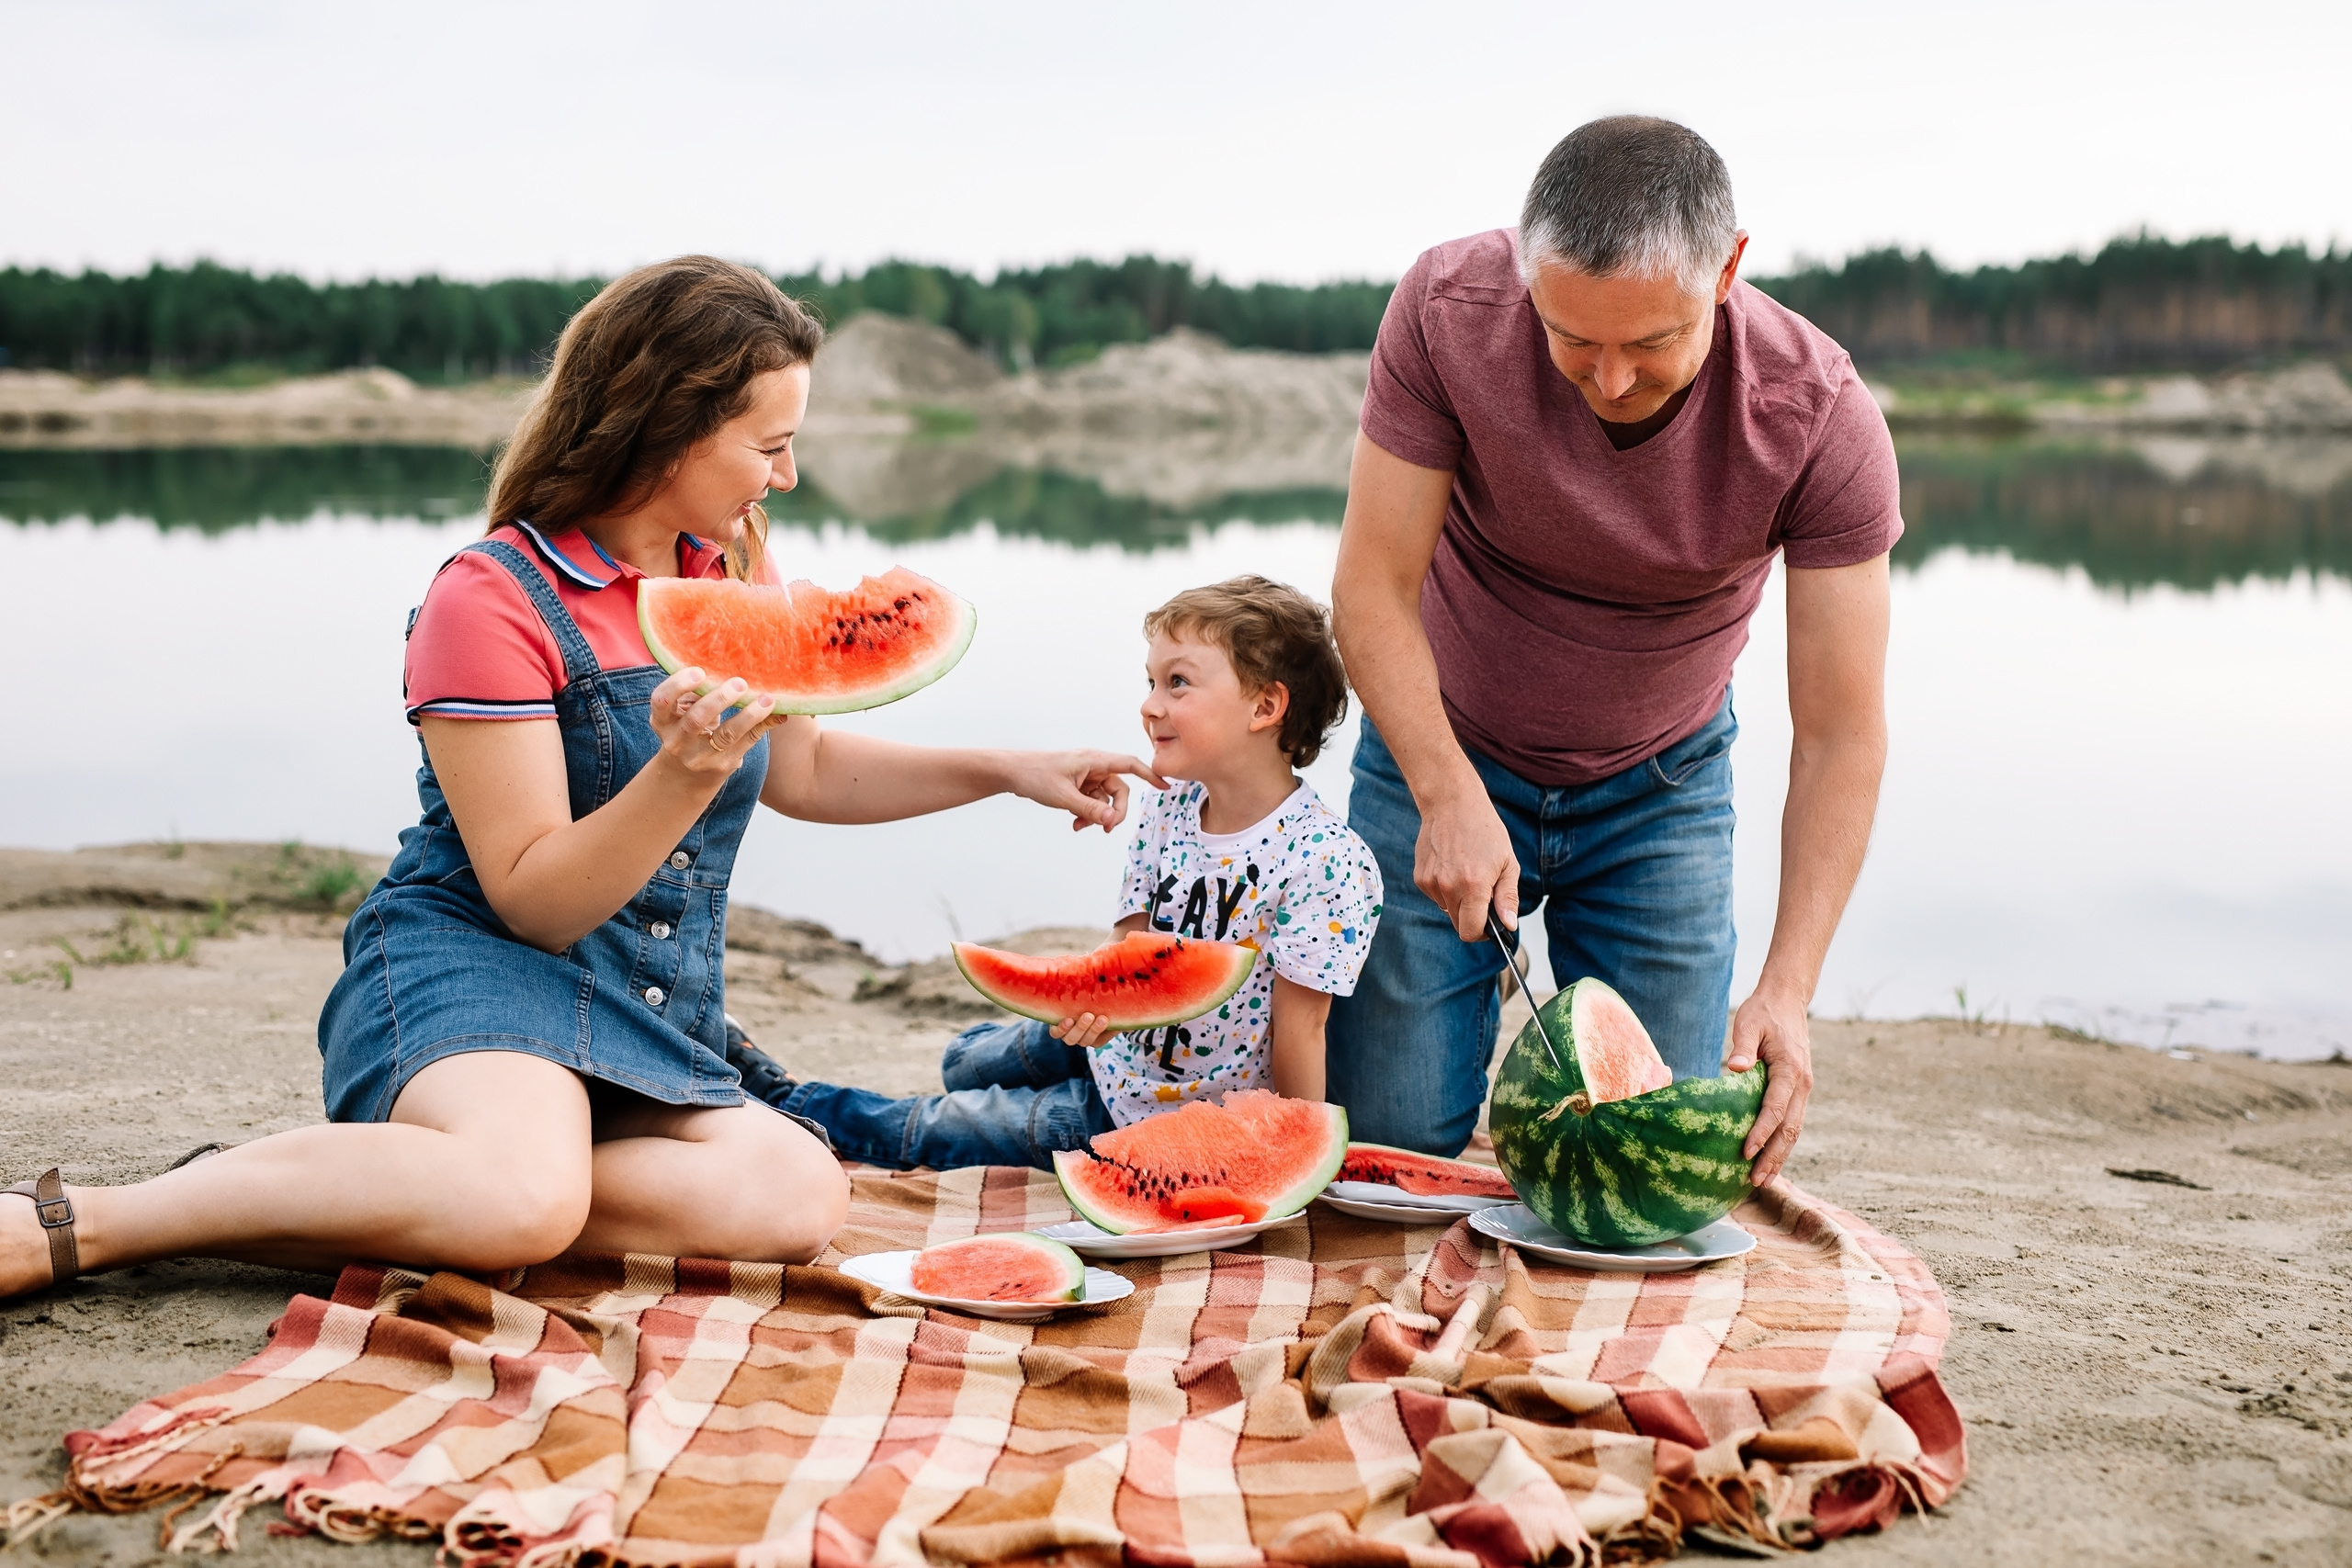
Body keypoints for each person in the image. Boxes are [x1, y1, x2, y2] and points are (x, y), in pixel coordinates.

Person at [0, 257, 1154, 1301]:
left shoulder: (733, 561)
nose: (789, 477)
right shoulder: (489, 596)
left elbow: (803, 765)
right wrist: (682, 776)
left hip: (642, 1001)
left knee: (798, 1197)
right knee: (521, 1199)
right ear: (668, 428)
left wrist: (1005, 769)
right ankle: (99, 1222)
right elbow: (532, 898)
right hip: (475, 969)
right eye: (767, 445)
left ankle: (387, 1186)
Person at [1327, 117, 1897, 1179]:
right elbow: (1369, 590)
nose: (1610, 380)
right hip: (1437, 755)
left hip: (1660, 790)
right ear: (1525, 271)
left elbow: (1839, 735)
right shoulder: (1448, 308)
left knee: (1646, 1162)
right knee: (1389, 1147)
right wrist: (1447, 796)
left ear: (1727, 269)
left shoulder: (1819, 418)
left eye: (1650, 343)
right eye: (1572, 339)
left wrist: (1786, 990)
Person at [734, 576, 1382, 1170]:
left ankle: (784, 1094)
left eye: (1177, 683)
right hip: (1110, 1047)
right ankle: (1000, 1052)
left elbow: (1304, 1027)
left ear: (1265, 706)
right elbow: (1128, 955)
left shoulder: (1326, 863)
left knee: (938, 1125)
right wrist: (1099, 1006)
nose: (1149, 705)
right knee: (964, 1063)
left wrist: (1294, 1160)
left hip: (1146, 1116)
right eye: (1150, 681)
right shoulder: (1170, 806)